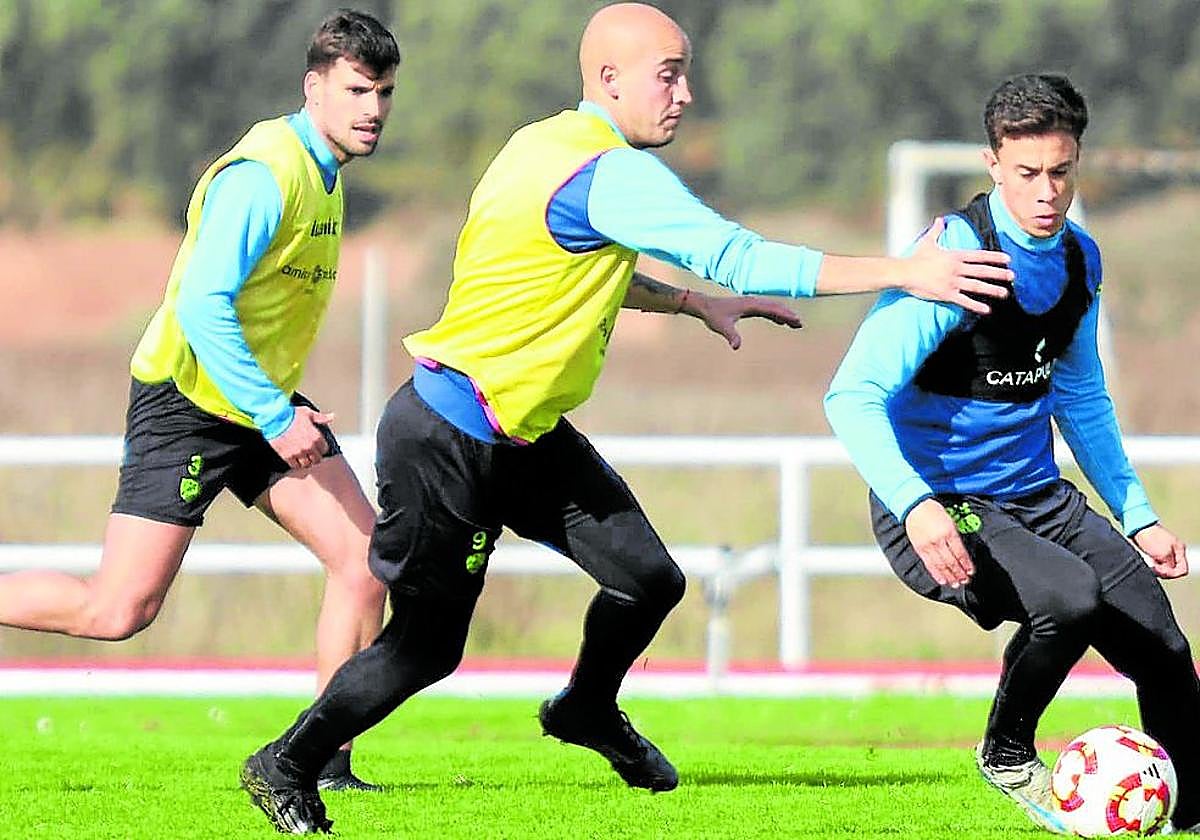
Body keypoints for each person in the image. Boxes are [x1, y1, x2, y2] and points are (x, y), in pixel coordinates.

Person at [239, 3, 1018, 833]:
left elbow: (575, 261)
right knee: (429, 647)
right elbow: (742, 253)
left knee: (650, 579)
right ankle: (284, 764)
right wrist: (908, 269)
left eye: (685, 73)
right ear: (608, 80)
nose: (685, 94)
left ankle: (586, 709)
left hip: (527, 433)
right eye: (669, 75)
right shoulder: (609, 172)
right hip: (448, 436)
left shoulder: (540, 144)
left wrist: (688, 303)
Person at [0, 9, 401, 792]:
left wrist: (272, 408)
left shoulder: (326, 172)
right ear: (313, 88)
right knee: (117, 611)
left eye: (384, 92)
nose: (373, 109)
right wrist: (277, 415)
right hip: (189, 401)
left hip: (255, 400)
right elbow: (202, 307)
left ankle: (315, 764)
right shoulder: (265, 175)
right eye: (357, 89)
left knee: (363, 562)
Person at [825, 73, 1200, 834]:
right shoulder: (952, 262)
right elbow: (850, 396)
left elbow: (1082, 395)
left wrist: (1137, 514)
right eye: (1027, 173)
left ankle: (1197, 808)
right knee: (1068, 598)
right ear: (994, 163)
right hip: (940, 505)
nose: (1046, 192)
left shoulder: (1078, 262)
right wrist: (916, 505)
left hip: (1037, 496)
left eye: (1060, 171)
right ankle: (1005, 750)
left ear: (1076, 162)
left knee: (1161, 641)